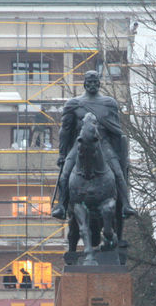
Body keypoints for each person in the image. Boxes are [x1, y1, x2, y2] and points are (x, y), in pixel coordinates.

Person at [51, 70, 136, 220]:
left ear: (99, 84)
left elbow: (116, 130)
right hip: (79, 145)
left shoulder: (109, 103)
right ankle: (61, 206)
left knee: (118, 173)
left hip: (103, 144)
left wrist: (120, 154)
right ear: (84, 84)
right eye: (89, 82)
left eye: (95, 82)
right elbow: (65, 131)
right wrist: (62, 154)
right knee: (64, 176)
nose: (92, 85)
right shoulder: (73, 104)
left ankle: (125, 205)